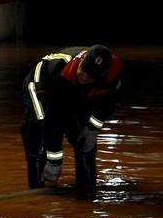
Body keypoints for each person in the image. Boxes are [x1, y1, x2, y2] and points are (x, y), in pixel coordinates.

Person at [21, 45, 123, 196]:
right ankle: (38, 190)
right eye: (84, 70)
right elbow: (53, 121)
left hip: (76, 90)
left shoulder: (111, 76)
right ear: (81, 61)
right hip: (42, 87)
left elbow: (107, 104)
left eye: (90, 76)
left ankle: (86, 189)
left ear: (102, 76)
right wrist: (54, 162)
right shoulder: (61, 72)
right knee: (39, 129)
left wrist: (92, 130)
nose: (84, 77)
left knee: (82, 138)